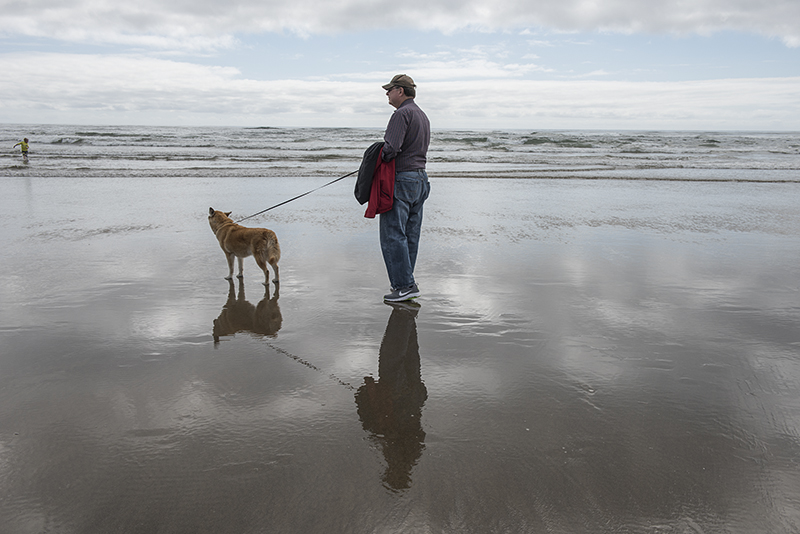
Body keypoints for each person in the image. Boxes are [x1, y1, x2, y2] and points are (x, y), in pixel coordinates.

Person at [379, 74, 431, 302]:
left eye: (389, 90)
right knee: (410, 234)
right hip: (420, 179)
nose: (387, 94)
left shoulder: (402, 114)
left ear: (401, 91)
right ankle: (407, 283)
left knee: (393, 234)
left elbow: (391, 149)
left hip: (402, 179)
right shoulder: (421, 115)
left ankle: (404, 285)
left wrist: (375, 156)